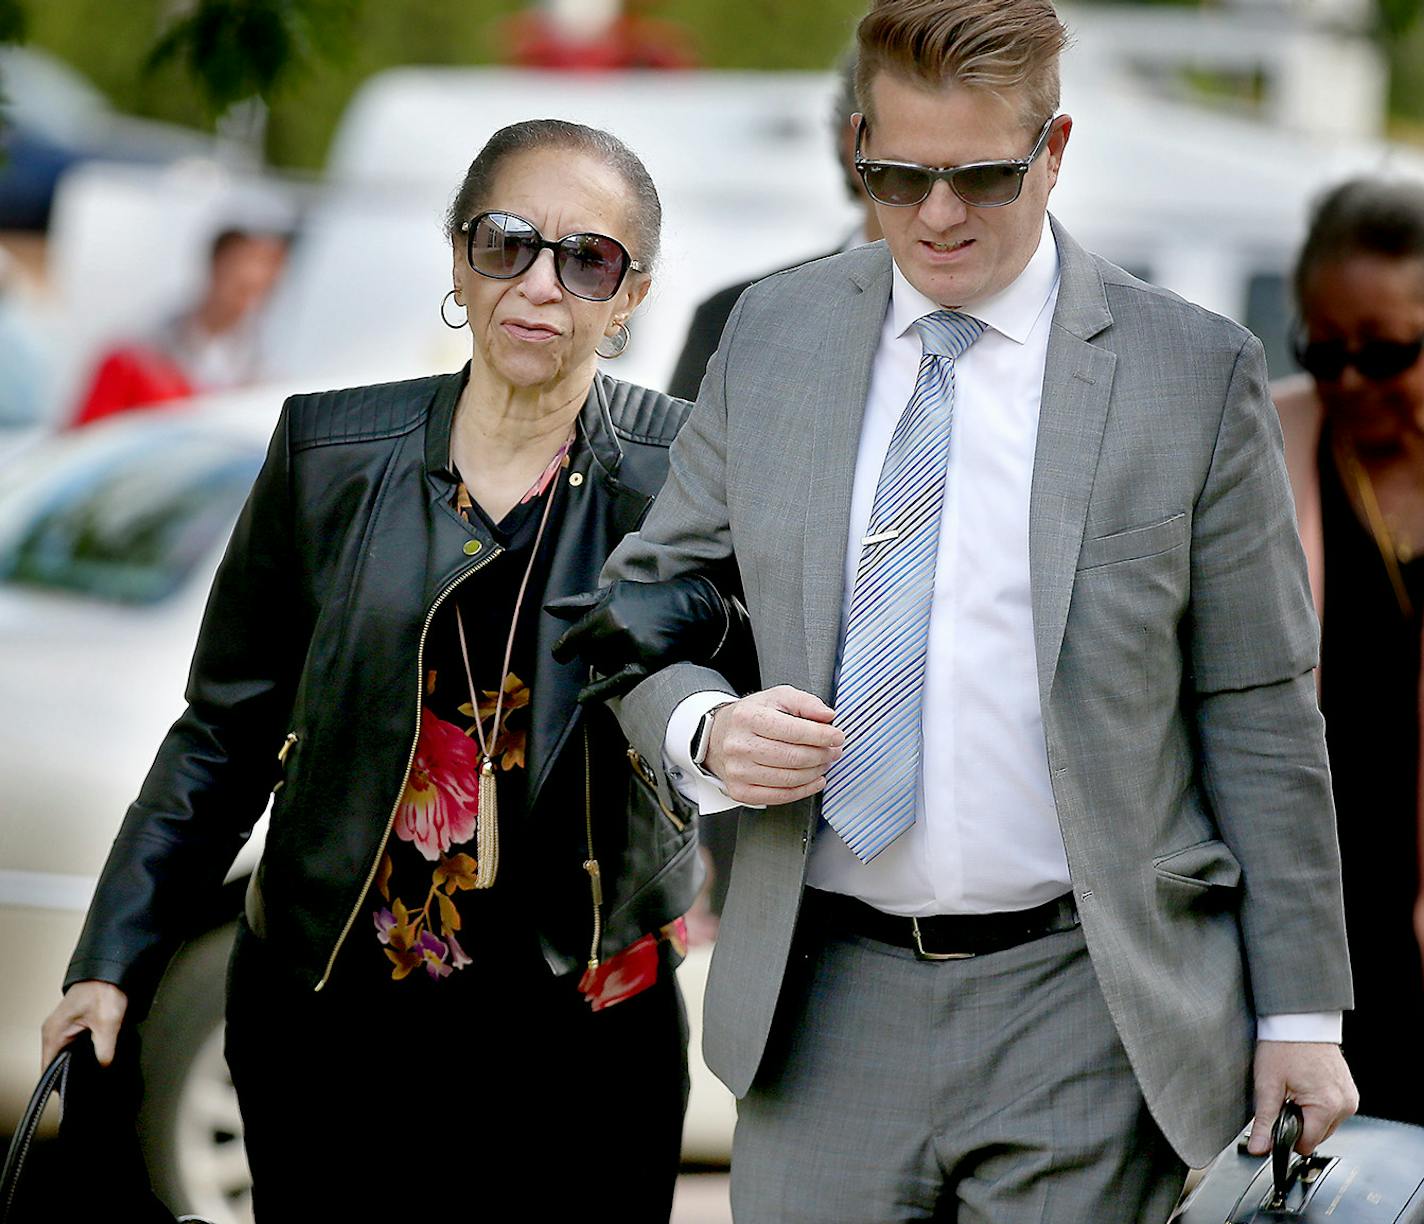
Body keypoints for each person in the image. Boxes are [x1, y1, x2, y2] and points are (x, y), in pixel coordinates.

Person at [560, 1, 1359, 1218]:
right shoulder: (771, 335)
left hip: (1086, 1011)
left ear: (1055, 148)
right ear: (858, 145)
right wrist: (702, 733)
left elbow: (1255, 706)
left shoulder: (1188, 371)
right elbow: (641, 602)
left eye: (981, 176)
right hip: (817, 1005)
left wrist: (1298, 1013)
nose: (936, 216)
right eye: (898, 175)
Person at [41, 119, 705, 1220]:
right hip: (334, 1022)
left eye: (586, 258)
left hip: (584, 1032)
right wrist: (110, 959)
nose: (540, 284)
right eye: (507, 244)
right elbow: (221, 735)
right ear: (458, 258)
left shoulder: (684, 474)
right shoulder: (326, 456)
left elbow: (741, 696)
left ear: (628, 294)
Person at [1272, 177, 1424, 1126]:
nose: (1350, 382)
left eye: (1386, 353)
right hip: (1314, 938)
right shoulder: (1262, 440)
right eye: (1323, 353)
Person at [666, 51, 883, 404]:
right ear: (855, 144)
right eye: (914, 154)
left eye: (981, 166)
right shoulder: (734, 322)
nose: (942, 201)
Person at [70, 226, 289, 428]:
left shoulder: (258, 368)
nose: (256, 276)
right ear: (217, 265)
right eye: (242, 275)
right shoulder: (140, 354)